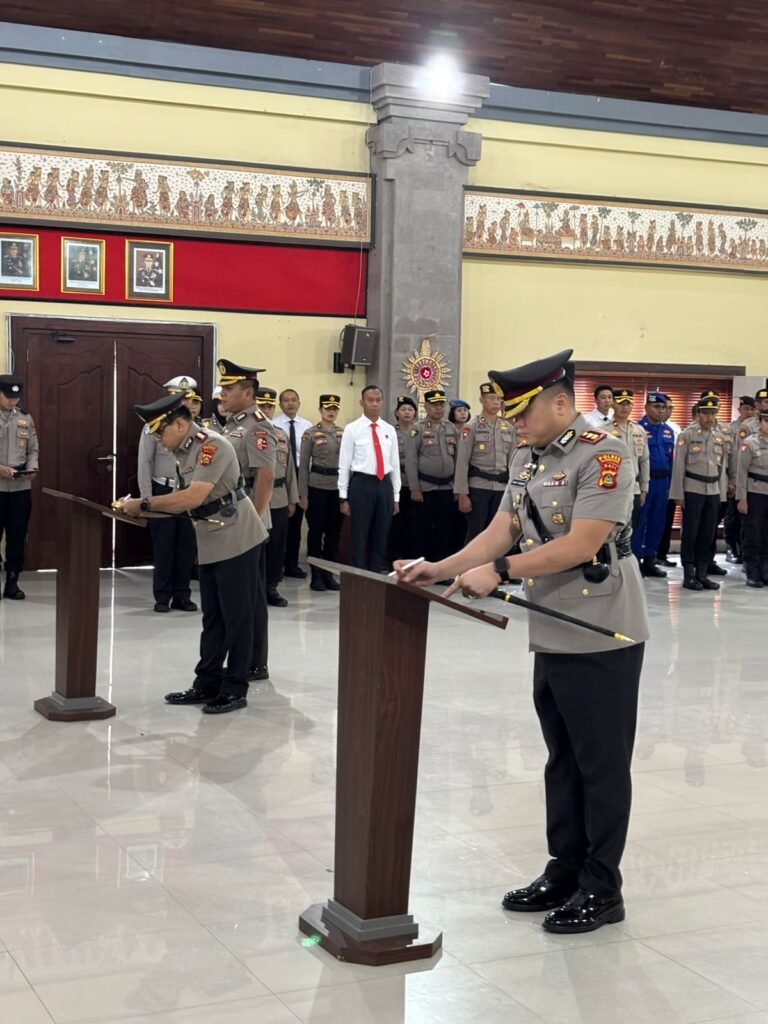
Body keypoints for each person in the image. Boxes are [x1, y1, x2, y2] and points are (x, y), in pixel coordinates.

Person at [396, 349, 648, 935]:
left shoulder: (605, 453)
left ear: (560, 403)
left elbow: (581, 544)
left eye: (522, 413)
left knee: (601, 764)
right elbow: (502, 528)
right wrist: (440, 566)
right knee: (563, 758)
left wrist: (502, 571)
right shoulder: (529, 456)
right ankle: (565, 869)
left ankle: (602, 887)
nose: (514, 424)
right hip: (553, 624)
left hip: (602, 628)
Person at [120, 392, 268, 713]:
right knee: (213, 617)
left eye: (160, 431)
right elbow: (182, 501)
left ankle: (235, 689)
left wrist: (143, 504)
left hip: (236, 538)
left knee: (237, 617)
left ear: (180, 424)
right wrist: (134, 508)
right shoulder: (185, 450)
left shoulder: (211, 446)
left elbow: (192, 497)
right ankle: (207, 683)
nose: (157, 439)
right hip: (212, 537)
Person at [217, 358, 276, 683]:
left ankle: (254, 662)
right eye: (222, 388)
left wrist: (252, 521)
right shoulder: (231, 424)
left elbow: (265, 476)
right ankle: (246, 658)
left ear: (248, 393)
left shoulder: (257, 425)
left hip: (248, 520)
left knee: (250, 596)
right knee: (241, 594)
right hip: (231, 518)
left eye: (229, 388)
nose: (222, 393)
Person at [137, 375, 200, 612]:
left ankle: (182, 594)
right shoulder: (153, 426)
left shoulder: (199, 429)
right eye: (180, 399)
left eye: (190, 399)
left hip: (189, 492)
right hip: (162, 489)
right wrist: (146, 500)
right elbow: (145, 463)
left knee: (187, 546)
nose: (186, 404)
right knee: (164, 546)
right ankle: (162, 596)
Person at [338, 384, 400, 572]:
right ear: (362, 402)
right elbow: (344, 464)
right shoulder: (352, 429)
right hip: (362, 484)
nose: (374, 404)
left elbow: (395, 464)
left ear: (382, 403)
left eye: (378, 400)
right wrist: (343, 496)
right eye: (370, 400)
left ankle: (375, 574)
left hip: (384, 485)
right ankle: (359, 575)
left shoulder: (389, 429)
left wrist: (396, 497)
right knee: (359, 533)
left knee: (381, 533)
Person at [670, 394, 728, 591]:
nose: (710, 418)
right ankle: (689, 574)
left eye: (713, 413)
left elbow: (722, 468)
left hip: (713, 490)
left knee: (708, 533)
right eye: (706, 413)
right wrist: (678, 494)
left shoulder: (719, 437)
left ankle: (702, 573)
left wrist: (721, 494)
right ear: (698, 414)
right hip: (692, 488)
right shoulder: (686, 435)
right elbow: (678, 466)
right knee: (691, 532)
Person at [454, 382, 515, 542]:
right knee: (475, 533)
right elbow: (462, 462)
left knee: (498, 535)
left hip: (501, 488)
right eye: (492, 398)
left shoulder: (508, 428)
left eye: (499, 399)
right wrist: (462, 494)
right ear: (482, 400)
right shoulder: (471, 427)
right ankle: (470, 560)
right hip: (478, 488)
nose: (496, 402)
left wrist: (514, 491)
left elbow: (513, 463)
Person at [255, 386, 298, 607]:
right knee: (256, 546)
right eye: (262, 405)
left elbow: (289, 468)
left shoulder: (280, 434)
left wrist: (292, 498)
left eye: (270, 406)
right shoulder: (247, 433)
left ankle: (271, 586)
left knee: (277, 546)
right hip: (255, 497)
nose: (266, 410)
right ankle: (255, 588)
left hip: (279, 497)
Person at [404, 388, 459, 564]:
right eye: (434, 405)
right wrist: (414, 489)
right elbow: (411, 460)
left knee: (445, 530)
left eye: (441, 405)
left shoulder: (451, 428)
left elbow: (458, 459)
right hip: (426, 488)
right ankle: (422, 566)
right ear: (426, 406)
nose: (439, 408)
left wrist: (458, 487)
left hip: (447, 488)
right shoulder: (417, 429)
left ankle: (442, 567)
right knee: (423, 531)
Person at [298, 394, 344, 592]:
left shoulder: (343, 433)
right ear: (320, 410)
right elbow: (303, 466)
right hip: (316, 487)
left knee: (334, 533)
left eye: (334, 409)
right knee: (316, 532)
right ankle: (316, 574)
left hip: (337, 489)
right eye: (327, 408)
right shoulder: (310, 434)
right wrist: (303, 494)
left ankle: (328, 573)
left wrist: (346, 494)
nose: (331, 412)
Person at [0, 374, 38, 600]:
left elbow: (33, 449)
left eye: (15, 397)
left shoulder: (25, 418)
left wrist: (32, 468)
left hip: (20, 488)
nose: (12, 401)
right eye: (7, 397)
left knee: (17, 536)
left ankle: (12, 582)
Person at [631, 392, 675, 577]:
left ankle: (650, 559)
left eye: (663, 407)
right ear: (646, 408)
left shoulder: (668, 431)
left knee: (658, 522)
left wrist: (671, 486)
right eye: (656, 407)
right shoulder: (637, 429)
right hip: (644, 482)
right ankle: (635, 561)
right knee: (639, 523)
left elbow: (671, 460)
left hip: (662, 482)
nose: (661, 411)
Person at [273, 389, 312, 579]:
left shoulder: (307, 426)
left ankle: (292, 564)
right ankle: (276, 564)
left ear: (299, 403)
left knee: (296, 523)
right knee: (279, 524)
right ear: (280, 405)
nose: (290, 403)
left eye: (294, 400)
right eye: (286, 400)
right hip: (281, 474)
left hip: (300, 473)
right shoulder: (274, 425)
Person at [736, 408, 768, 587]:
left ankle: (765, 570)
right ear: (760, 422)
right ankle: (752, 571)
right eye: (766, 421)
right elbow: (741, 472)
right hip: (755, 493)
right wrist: (742, 498)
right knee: (753, 533)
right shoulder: (750, 443)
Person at [610, 389, 649, 530]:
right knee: (611, 529)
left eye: (628, 404)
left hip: (634, 489)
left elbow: (644, 461)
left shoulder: (639, 431)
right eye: (621, 404)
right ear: (613, 404)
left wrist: (644, 489)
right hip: (611, 488)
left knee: (632, 528)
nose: (624, 407)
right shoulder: (602, 430)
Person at [387, 395, 418, 564]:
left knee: (413, 523)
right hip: (395, 485)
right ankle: (392, 558)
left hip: (414, 485)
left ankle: (409, 558)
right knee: (395, 523)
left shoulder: (419, 431)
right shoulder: (390, 432)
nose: (407, 412)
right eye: (403, 409)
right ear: (396, 413)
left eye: (410, 409)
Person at [724, 396, 756, 562]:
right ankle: (731, 548)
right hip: (735, 479)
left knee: (747, 519)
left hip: (752, 482)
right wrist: (733, 481)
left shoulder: (758, 426)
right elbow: (733, 457)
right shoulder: (731, 428)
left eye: (752, 409)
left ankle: (744, 550)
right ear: (739, 410)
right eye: (746, 409)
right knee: (732, 517)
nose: (749, 412)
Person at [654, 395, 683, 568]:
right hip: (653, 480)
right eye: (663, 407)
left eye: (670, 408)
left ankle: (661, 554)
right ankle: (647, 556)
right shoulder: (642, 428)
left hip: (670, 479)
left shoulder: (675, 429)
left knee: (666, 519)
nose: (666, 411)